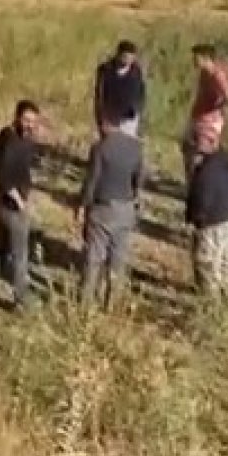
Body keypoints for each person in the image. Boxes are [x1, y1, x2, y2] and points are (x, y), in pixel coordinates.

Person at [76, 110, 145, 309]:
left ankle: (86, 303)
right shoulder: (136, 147)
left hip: (103, 207)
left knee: (94, 257)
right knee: (118, 257)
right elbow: (139, 179)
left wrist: (82, 204)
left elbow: (92, 181)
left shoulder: (100, 148)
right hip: (125, 208)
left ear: (105, 122)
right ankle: (112, 303)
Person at [0, 100, 41, 310]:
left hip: (1, 201)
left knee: (0, 250)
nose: (30, 125)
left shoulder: (10, 137)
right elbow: (5, 174)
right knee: (20, 255)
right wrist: (19, 200)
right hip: (11, 205)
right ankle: (20, 301)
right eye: (26, 120)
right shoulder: (11, 141)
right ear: (17, 117)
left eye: (33, 122)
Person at [185, 132, 228, 297]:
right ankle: (227, 294)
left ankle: (209, 300)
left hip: (211, 222)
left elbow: (202, 197)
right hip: (227, 217)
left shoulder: (206, 170)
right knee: (223, 259)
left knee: (206, 262)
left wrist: (195, 219)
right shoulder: (224, 162)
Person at [181, 43, 228, 183]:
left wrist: (215, 108)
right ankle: (192, 183)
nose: (194, 61)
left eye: (196, 58)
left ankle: (199, 186)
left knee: (201, 156)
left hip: (209, 123)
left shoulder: (217, 75)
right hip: (198, 118)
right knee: (187, 148)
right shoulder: (204, 73)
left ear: (205, 58)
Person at [93, 40, 146, 138]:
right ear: (118, 54)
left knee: (125, 147)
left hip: (129, 119)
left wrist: (138, 112)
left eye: (131, 57)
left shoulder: (137, 72)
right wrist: (101, 119)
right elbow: (99, 96)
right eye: (125, 57)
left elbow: (141, 94)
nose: (128, 60)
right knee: (109, 146)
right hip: (110, 118)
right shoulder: (105, 70)